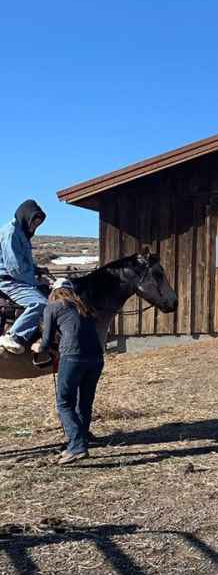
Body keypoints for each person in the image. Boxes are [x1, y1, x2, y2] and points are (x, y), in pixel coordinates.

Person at [35, 283, 104, 464]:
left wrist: (38, 347)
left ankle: (77, 446)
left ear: (53, 292)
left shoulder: (53, 307)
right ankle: (81, 440)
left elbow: (46, 341)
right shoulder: (85, 307)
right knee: (85, 401)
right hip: (97, 358)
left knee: (64, 402)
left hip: (73, 358)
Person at [0, 199, 48, 353]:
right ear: (26, 217)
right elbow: (15, 268)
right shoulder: (11, 233)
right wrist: (34, 281)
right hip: (9, 280)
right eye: (34, 223)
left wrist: (36, 269)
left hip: (19, 278)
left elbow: (23, 261)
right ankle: (13, 335)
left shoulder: (21, 233)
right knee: (40, 303)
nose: (35, 227)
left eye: (37, 225)